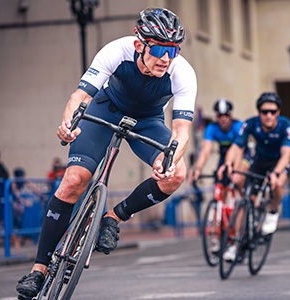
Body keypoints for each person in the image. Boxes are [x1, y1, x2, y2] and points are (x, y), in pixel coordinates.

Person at [16, 8, 197, 299]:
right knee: (75, 180)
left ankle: (113, 217)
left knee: (176, 175)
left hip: (148, 122)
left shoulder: (182, 71)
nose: (166, 57)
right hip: (106, 109)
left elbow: (181, 131)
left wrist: (169, 161)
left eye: (172, 49)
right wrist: (67, 124)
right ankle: (38, 269)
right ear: (140, 44)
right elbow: (81, 96)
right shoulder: (116, 50)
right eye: (159, 48)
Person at [217, 92, 290, 261]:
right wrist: (228, 164)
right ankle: (236, 244)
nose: (268, 115)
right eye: (264, 111)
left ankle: (273, 211)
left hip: (279, 162)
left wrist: (275, 174)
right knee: (245, 200)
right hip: (260, 161)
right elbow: (237, 147)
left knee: (278, 184)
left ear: (278, 113)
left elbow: (286, 155)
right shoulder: (250, 124)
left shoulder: (287, 127)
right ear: (259, 112)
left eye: (273, 112)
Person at [188, 98, 249, 198]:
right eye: (220, 115)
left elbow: (239, 150)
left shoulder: (238, 126)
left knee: (238, 179)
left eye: (226, 115)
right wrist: (198, 168)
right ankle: (221, 210)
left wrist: (235, 170)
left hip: (241, 154)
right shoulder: (212, 128)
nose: (223, 118)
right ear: (216, 116)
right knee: (220, 187)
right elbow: (206, 151)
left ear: (231, 115)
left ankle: (244, 203)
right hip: (224, 155)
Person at [10, 168, 45, 248]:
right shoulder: (13, 183)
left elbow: (34, 189)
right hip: (11, 203)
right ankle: (18, 237)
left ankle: (24, 235)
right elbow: (16, 195)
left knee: (27, 215)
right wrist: (24, 202)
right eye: (23, 176)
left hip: (18, 203)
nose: (24, 177)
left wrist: (42, 195)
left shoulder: (24, 180)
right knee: (17, 215)